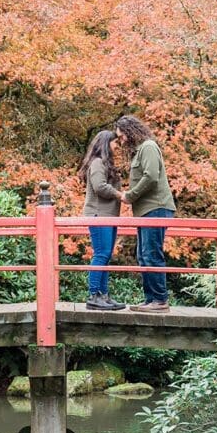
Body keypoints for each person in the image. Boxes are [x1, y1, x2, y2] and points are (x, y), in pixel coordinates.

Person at [115, 116, 175, 312]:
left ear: (130, 132)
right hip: (145, 211)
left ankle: (160, 300)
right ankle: (151, 299)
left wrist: (130, 196)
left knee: (151, 254)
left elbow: (151, 176)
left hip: (155, 208)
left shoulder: (148, 147)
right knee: (143, 255)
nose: (122, 141)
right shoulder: (140, 151)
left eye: (122, 136)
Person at [78, 130, 126, 311]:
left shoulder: (106, 164)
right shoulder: (97, 163)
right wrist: (120, 195)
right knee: (101, 254)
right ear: (106, 144)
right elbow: (99, 187)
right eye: (115, 143)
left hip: (108, 215)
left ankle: (103, 295)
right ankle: (94, 295)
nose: (117, 147)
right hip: (98, 215)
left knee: (106, 255)